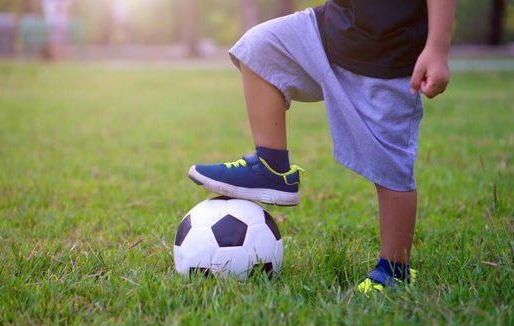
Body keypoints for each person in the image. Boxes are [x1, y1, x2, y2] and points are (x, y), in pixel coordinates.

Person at [188, 0, 456, 294]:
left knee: (390, 166)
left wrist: (437, 47)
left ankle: (394, 269)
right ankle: (271, 167)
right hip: (330, 30)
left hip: (388, 54)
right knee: (260, 47)